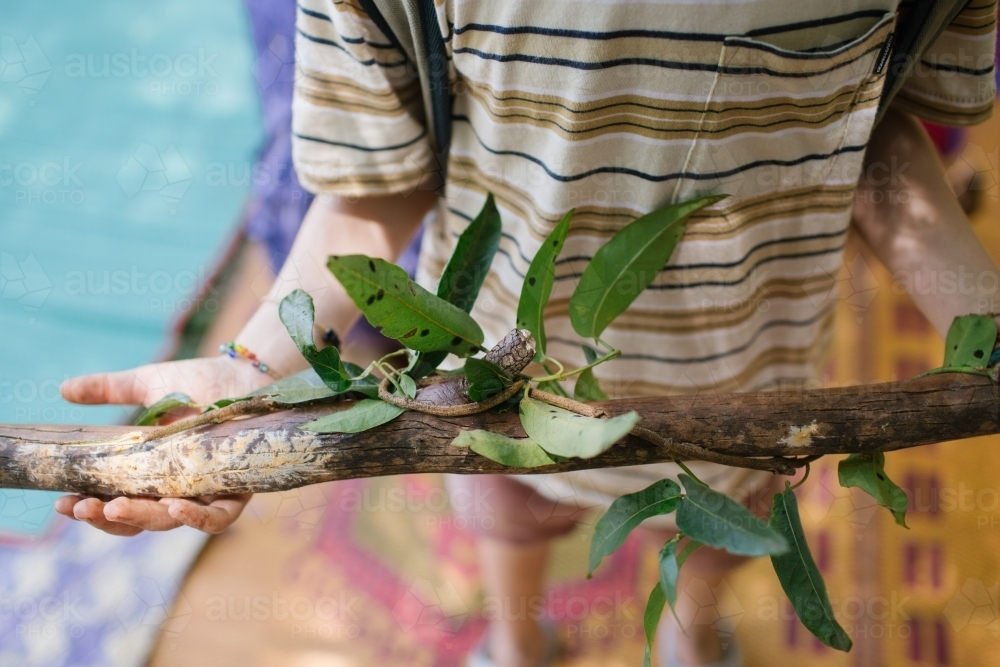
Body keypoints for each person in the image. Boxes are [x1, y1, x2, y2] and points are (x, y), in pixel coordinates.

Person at [58, 1, 998, 666]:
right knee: (509, 521)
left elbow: (882, 137)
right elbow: (372, 185)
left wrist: (984, 321)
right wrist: (250, 366)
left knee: (723, 531)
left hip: (754, 370)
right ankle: (518, 644)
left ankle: (688, 635)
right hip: (497, 394)